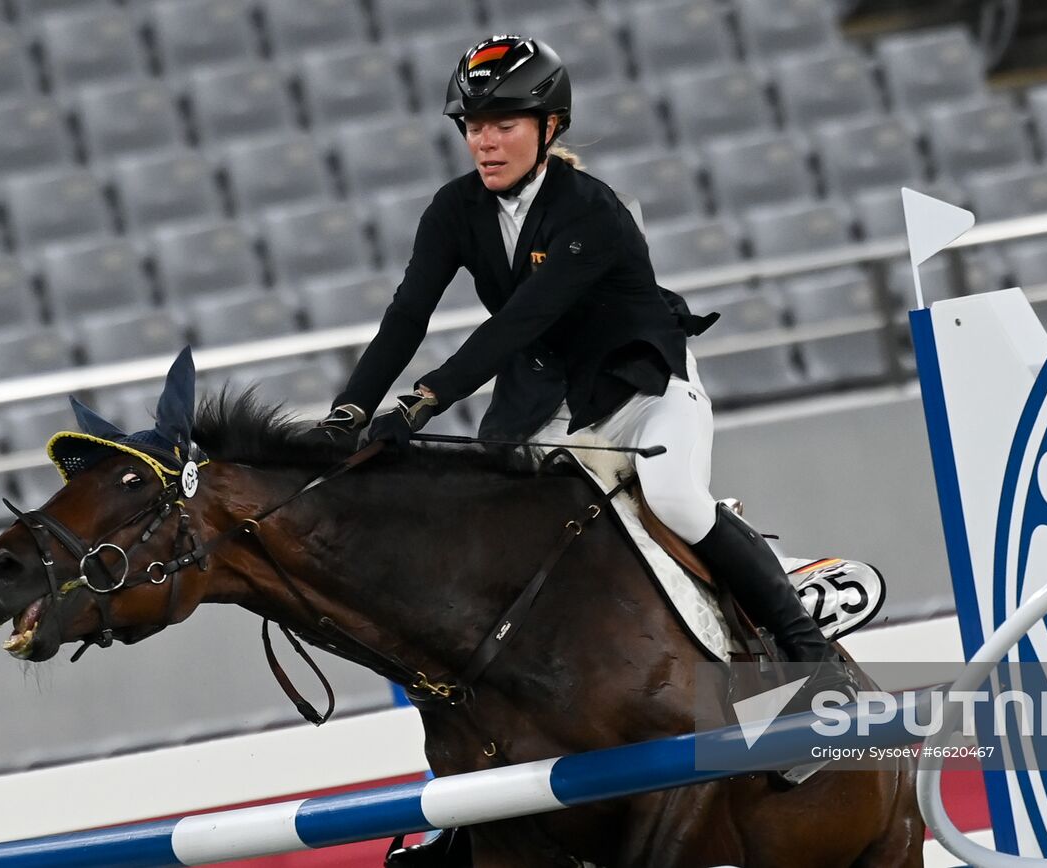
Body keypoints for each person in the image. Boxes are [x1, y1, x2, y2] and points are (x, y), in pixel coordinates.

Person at [315, 35, 852, 686]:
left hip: (640, 390)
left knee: (675, 496)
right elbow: (407, 317)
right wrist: (349, 412)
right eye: (473, 127)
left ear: (549, 127)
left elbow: (520, 321)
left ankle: (803, 640)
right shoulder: (454, 210)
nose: (483, 142)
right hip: (544, 401)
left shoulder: (592, 211)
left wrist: (421, 402)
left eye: (502, 125)